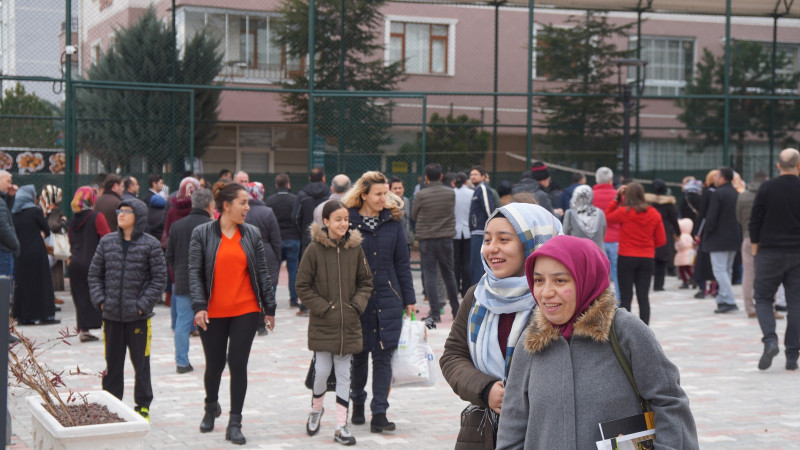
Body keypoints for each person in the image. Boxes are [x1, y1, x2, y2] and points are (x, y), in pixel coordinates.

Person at [497, 235, 698, 449]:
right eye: (538, 280)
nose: (546, 292)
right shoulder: (532, 341)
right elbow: (513, 423)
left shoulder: (624, 330)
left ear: (586, 278)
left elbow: (669, 402)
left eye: (560, 280)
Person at [440, 203, 562, 449]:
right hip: (484, 431)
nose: (491, 248)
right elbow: (453, 355)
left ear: (533, 245)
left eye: (504, 239)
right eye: (487, 239)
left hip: (546, 431)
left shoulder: (557, 299)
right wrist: (485, 389)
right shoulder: (479, 295)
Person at [189, 181, 276, 445]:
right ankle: (210, 407)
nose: (248, 207)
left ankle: (235, 422)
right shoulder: (201, 233)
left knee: (238, 364)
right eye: (243, 202)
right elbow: (194, 272)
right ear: (226, 206)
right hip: (212, 311)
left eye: (248, 202)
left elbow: (262, 272)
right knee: (214, 364)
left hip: (246, 310)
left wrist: (269, 308)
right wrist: (199, 305)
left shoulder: (251, 233)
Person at [295, 201, 373, 445]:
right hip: (323, 323)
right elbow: (302, 286)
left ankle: (341, 425)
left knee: (344, 375)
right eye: (337, 219)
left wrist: (356, 306)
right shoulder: (314, 250)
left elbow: (366, 282)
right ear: (325, 222)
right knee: (321, 372)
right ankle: (316, 409)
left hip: (348, 323)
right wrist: (324, 308)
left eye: (346, 219)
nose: (343, 223)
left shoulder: (355, 249)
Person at [343, 171, 416, 433]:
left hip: (388, 297)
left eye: (386, 193)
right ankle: (358, 403)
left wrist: (409, 299)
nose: (384, 198)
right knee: (360, 356)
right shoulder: (347, 222)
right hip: (358, 299)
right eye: (378, 194)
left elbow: (402, 264)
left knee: (384, 356)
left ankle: (380, 412)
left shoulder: (393, 222)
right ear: (363, 195)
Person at [88, 198, 167, 422]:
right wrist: (101, 300)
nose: (121, 214)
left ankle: (142, 406)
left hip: (139, 319)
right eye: (119, 211)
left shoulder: (150, 244)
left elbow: (159, 279)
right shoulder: (107, 242)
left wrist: (143, 305)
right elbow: (95, 275)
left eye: (127, 211)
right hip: (111, 316)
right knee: (112, 365)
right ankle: (111, 406)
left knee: (141, 364)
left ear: (138, 216)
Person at [750, 148, 800, 371]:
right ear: (799, 166)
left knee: (762, 298)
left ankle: (770, 340)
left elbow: (755, 220)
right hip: (798, 252)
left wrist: (755, 250)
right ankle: (792, 355)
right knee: (796, 304)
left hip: (769, 251)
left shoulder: (766, 187)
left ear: (778, 165)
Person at [166, 189, 214, 373]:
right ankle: (213, 358)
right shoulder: (212, 226)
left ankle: (182, 362)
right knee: (211, 322)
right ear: (210, 205)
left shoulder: (177, 226)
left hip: (183, 280)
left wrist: (178, 271)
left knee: (182, 322)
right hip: (207, 284)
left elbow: (169, 255)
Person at [605, 182, 666, 325]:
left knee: (626, 296)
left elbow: (607, 218)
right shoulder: (654, 213)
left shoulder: (624, 211)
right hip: (646, 257)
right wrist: (647, 246)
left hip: (626, 257)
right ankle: (645, 329)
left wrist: (616, 199)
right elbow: (661, 240)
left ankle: (626, 328)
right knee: (643, 296)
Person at [412, 163, 460, 323]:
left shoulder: (421, 195)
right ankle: (456, 310)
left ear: (426, 178)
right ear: (441, 176)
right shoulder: (450, 193)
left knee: (430, 275)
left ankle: (434, 313)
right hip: (446, 239)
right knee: (449, 274)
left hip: (426, 239)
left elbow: (414, 214)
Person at [67, 186, 110, 342]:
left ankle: (84, 329)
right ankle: (107, 326)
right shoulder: (96, 217)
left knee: (80, 296)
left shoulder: (72, 221)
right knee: (100, 294)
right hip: (94, 262)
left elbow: (70, 241)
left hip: (75, 263)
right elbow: (106, 237)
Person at [12, 185, 59, 325]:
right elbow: (46, 229)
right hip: (37, 252)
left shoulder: (14, 212)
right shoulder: (35, 211)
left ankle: (25, 317)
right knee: (41, 283)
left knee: (23, 284)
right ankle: (45, 315)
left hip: (20, 253)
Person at [244, 181, 282, 336]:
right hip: (267, 252)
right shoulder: (268, 212)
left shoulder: (242, 211)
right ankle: (262, 324)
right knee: (265, 288)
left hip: (245, 250)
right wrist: (277, 257)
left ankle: (249, 321)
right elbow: (276, 238)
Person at [702, 167, 741, 314]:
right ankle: (723, 298)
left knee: (719, 270)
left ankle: (729, 300)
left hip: (718, 238)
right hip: (734, 237)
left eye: (717, 175)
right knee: (727, 270)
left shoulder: (719, 194)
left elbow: (711, 217)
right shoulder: (736, 193)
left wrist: (707, 233)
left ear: (723, 178)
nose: (715, 178)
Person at [265, 173, 301, 308]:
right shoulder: (295, 200)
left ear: (276, 185)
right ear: (288, 185)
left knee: (274, 270)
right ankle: (293, 299)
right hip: (293, 238)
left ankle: (271, 300)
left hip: (276, 240)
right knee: (293, 270)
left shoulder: (270, 201)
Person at [592, 166, 620, 301]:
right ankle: (619, 302)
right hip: (616, 238)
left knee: (598, 275)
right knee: (617, 273)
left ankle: (600, 302)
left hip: (597, 240)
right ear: (610, 180)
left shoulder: (591, 195)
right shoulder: (618, 195)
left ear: (597, 180)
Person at [646, 179, 680, 292]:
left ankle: (647, 283)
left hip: (649, 232)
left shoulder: (647, 203)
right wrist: (678, 233)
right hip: (664, 232)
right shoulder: (669, 204)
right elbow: (674, 220)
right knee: (662, 259)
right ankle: (659, 285)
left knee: (651, 258)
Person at [692, 170, 719, 299]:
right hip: (719, 232)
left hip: (706, 230)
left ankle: (703, 288)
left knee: (702, 260)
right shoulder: (723, 192)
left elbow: (702, 215)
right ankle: (715, 287)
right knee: (717, 262)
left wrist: (697, 232)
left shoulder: (707, 193)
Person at [469, 165, 497, 285]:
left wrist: (491, 228)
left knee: (478, 265)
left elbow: (489, 208)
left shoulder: (483, 189)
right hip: (477, 231)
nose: (472, 177)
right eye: (471, 175)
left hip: (481, 232)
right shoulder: (477, 189)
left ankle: (478, 292)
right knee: (475, 264)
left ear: (483, 177)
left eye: (475, 174)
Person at [39, 185, 67, 292]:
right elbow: (53, 225)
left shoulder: (43, 208)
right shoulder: (54, 210)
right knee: (55, 267)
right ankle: (55, 289)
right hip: (54, 242)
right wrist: (63, 221)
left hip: (46, 241)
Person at [562, 184, 606, 249]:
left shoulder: (570, 213)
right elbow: (603, 233)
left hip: (577, 253)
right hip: (598, 253)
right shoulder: (600, 213)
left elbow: (564, 236)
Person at [453, 172, 473, 297]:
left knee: (455, 262)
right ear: (466, 181)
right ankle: (465, 289)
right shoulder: (471, 193)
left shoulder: (451, 193)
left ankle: (454, 288)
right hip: (468, 231)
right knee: (466, 262)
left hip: (454, 231)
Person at [0, 171, 19, 279]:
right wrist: (15, 244)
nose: (10, 185)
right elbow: (3, 226)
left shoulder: (3, 201)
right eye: (8, 181)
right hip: (3, 252)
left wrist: (10, 197)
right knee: (4, 291)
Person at [674, 218, 696, 290]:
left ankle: (685, 281)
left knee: (682, 270)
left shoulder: (682, 236)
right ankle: (693, 279)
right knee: (688, 269)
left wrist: (677, 241)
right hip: (689, 255)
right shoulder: (689, 235)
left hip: (683, 255)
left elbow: (682, 245)